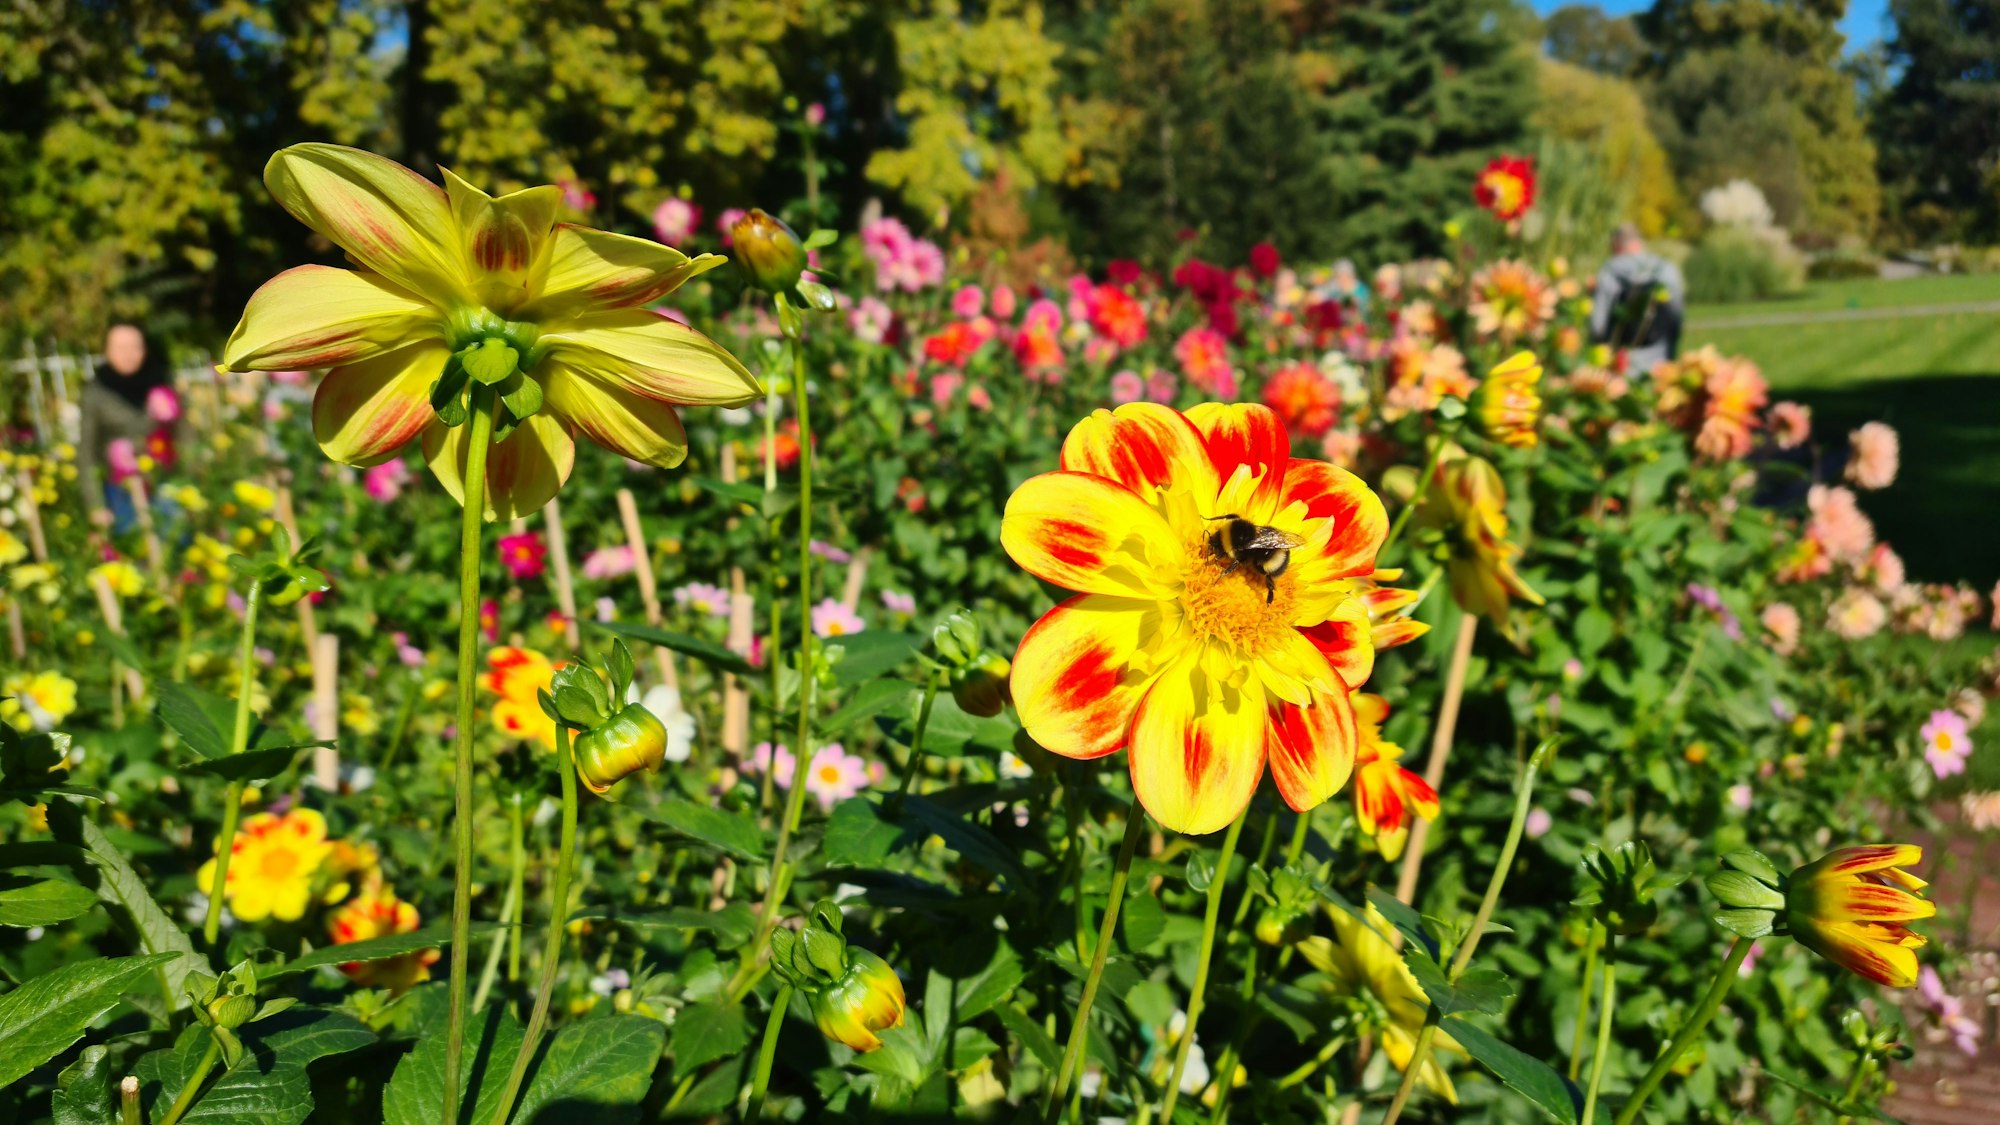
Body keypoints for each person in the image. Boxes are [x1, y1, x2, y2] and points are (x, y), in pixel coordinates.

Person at [79, 323, 176, 531]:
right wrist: (95, 505)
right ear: (107, 351)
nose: (128, 354)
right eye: (120, 348)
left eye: (135, 347)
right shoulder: (96, 392)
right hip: (121, 490)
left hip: (165, 484)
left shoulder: (162, 382)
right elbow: (87, 451)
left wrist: (190, 480)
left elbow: (184, 434)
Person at [1590, 224, 1684, 374]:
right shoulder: (1667, 269)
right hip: (1659, 359)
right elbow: (1676, 318)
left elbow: (1597, 325)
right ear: (1639, 243)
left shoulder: (1611, 270)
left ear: (1616, 246)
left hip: (1620, 362)